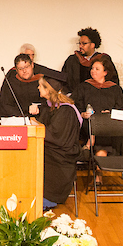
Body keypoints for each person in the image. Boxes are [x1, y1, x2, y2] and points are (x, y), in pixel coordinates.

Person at [28, 72, 85, 209]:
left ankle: (45, 197)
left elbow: (56, 137)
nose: (38, 88)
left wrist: (35, 125)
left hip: (61, 158)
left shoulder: (66, 111)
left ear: (48, 89)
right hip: (53, 150)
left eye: (40, 86)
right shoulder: (52, 106)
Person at [74, 59, 123, 156]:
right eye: (92, 68)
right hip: (88, 122)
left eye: (97, 69)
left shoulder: (115, 89)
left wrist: (111, 113)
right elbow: (74, 105)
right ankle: (100, 154)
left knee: (105, 126)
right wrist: (82, 114)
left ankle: (91, 147)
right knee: (96, 126)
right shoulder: (83, 87)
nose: (93, 71)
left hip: (110, 124)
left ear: (105, 72)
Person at [1, 53, 43, 118]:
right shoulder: (11, 82)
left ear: (32, 65)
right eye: (20, 69)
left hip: (40, 118)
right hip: (17, 119)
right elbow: (5, 105)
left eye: (26, 67)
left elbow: (49, 102)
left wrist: (39, 107)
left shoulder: (42, 80)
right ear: (16, 70)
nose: (24, 71)